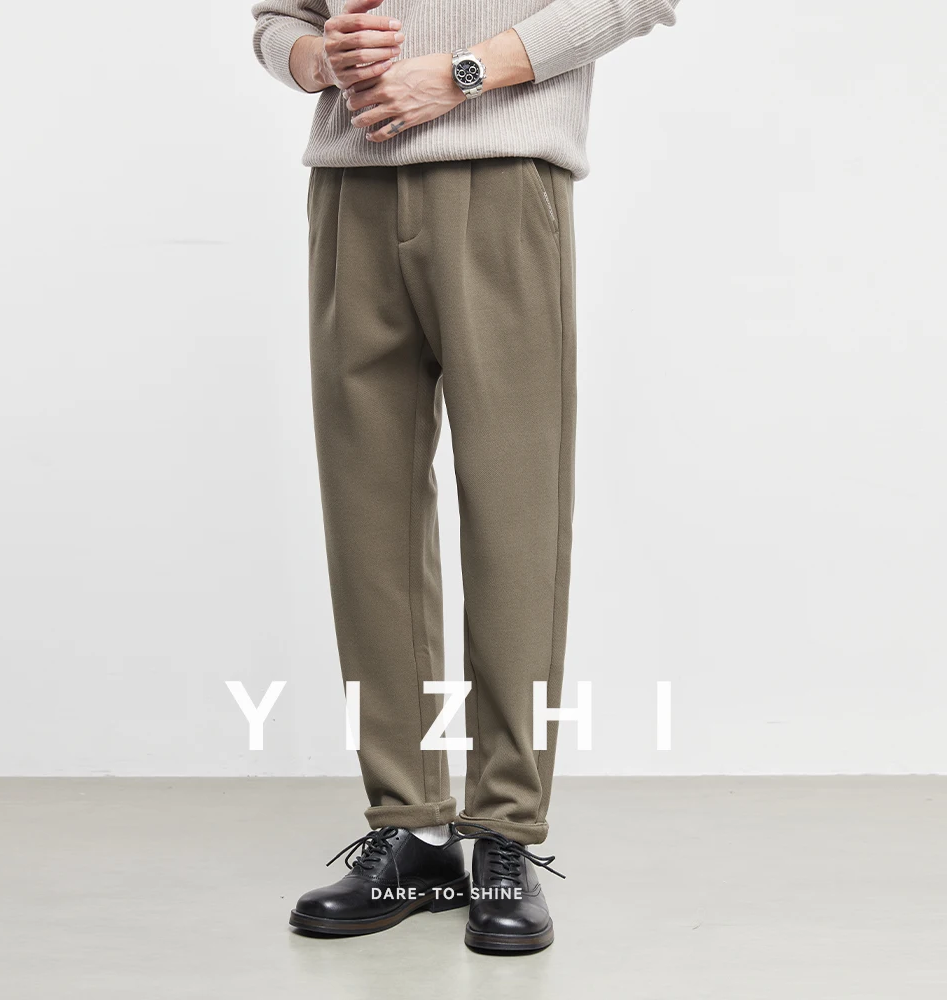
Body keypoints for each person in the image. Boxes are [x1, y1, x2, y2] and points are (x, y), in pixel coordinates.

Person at [251, 0, 681, 954]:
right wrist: (317, 57)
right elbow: (276, 20)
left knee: (515, 518)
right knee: (367, 525)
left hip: (503, 178)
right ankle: (407, 827)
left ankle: (504, 834)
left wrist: (465, 73)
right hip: (351, 189)